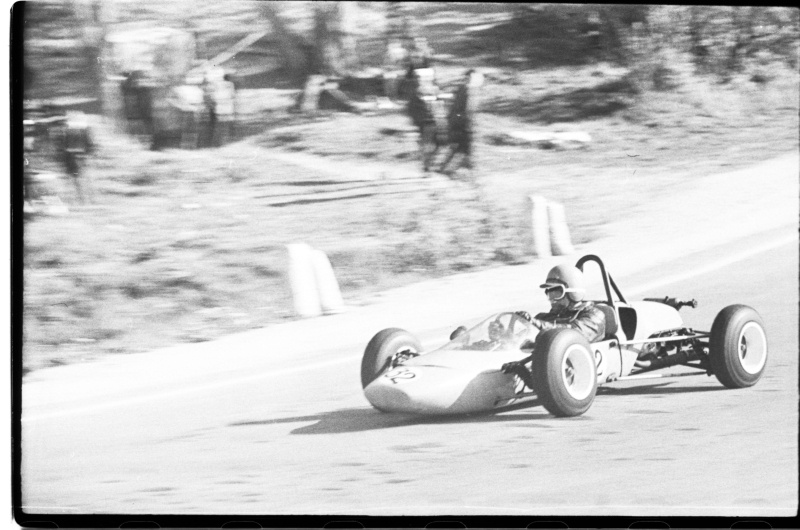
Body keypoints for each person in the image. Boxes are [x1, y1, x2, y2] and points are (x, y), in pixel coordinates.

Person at [501, 264, 607, 376]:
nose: (551, 298)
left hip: (565, 366)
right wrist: (503, 334)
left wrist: (538, 324)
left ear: (573, 292)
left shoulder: (594, 315)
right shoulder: (544, 318)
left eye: (556, 292)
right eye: (548, 292)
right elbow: (519, 340)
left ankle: (526, 373)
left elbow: (573, 334)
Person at [440, 69, 483, 172]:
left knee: (459, 146)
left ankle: (448, 166)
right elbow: (468, 109)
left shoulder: (463, 88)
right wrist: (469, 122)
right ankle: (460, 166)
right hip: (460, 122)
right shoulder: (469, 90)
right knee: (461, 145)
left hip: (456, 120)